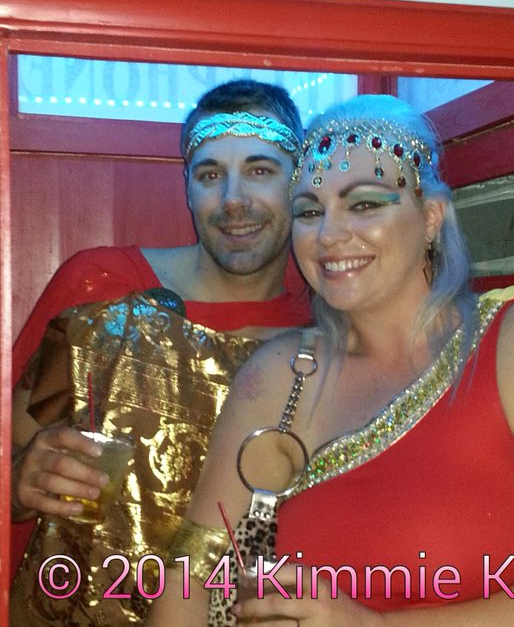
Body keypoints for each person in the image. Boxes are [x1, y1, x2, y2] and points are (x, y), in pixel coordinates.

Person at [148, 94, 514, 626]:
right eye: (310, 211)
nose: (329, 235)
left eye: (364, 205)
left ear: (431, 217)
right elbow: (191, 582)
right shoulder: (279, 375)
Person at [9, 79, 312, 625]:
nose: (234, 199)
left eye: (260, 170)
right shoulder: (102, 289)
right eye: (210, 175)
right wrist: (19, 483)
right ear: (188, 188)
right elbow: (15, 448)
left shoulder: (326, 330)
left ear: (300, 182)